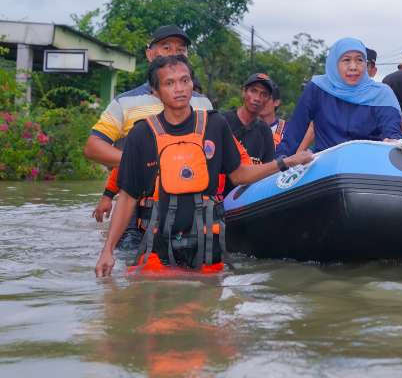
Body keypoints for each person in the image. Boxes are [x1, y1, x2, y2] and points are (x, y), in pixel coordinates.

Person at [95, 56, 312, 276]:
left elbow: (239, 174)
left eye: (185, 80)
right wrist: (107, 250)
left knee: (206, 304)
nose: (179, 89)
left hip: (206, 247)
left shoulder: (215, 125)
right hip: (156, 247)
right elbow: (127, 197)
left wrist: (285, 162)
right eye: (169, 83)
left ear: (192, 84)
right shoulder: (141, 134)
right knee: (154, 302)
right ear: (156, 91)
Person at [86, 25, 213, 225]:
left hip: (192, 205)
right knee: (130, 255)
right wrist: (144, 163)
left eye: (181, 50)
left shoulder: (203, 104)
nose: (174, 55)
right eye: (166, 47)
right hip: (137, 207)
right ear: (150, 54)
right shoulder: (125, 102)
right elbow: (93, 147)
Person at [276, 38, 402, 155]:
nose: (353, 67)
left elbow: (393, 135)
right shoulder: (317, 88)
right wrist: (278, 166)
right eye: (346, 60)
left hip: (368, 169)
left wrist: (393, 142)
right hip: (324, 169)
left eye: (359, 60)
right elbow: (294, 134)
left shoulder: (382, 94)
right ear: (334, 63)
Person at [224, 73, 277, 165]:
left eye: (264, 94)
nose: (257, 98)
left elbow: (267, 169)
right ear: (244, 92)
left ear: (268, 99)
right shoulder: (223, 121)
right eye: (253, 91)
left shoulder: (265, 132)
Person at [260, 82, 286, 147]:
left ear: (276, 102)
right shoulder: (245, 126)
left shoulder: (287, 130)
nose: (261, 101)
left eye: (267, 97)